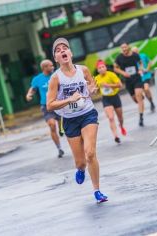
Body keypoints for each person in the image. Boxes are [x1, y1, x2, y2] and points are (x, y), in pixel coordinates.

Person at [46, 38, 108, 203]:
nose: (62, 51)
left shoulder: (84, 70)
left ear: (70, 53)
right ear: (56, 58)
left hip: (88, 114)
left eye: (65, 48)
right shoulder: (55, 78)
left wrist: (92, 91)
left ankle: (97, 191)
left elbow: (90, 90)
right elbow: (50, 105)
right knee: (81, 163)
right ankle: (80, 170)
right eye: (58, 50)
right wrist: (69, 100)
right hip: (69, 120)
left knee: (90, 153)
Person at [26, 59, 65, 158]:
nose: (52, 67)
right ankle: (59, 148)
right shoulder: (37, 79)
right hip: (46, 106)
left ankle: (61, 128)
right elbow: (33, 88)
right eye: (50, 66)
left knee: (62, 124)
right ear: (44, 68)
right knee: (52, 125)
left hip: (59, 103)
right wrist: (29, 94)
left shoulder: (57, 75)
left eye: (53, 66)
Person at [95, 60, 127, 143]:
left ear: (105, 67)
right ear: (97, 70)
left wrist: (108, 85)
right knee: (111, 118)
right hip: (106, 99)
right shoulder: (96, 78)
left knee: (120, 117)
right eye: (99, 68)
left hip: (115, 97)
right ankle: (116, 136)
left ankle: (121, 126)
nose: (101, 69)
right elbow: (96, 90)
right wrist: (95, 90)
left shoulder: (111, 74)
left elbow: (120, 85)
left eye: (103, 67)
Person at [114, 42, 145, 127]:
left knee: (138, 97)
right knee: (135, 99)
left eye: (125, 47)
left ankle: (141, 118)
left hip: (137, 78)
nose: (124, 49)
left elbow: (141, 63)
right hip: (128, 81)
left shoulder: (135, 55)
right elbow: (115, 68)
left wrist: (140, 69)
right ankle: (140, 99)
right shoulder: (119, 57)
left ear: (128, 47)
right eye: (122, 48)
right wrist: (123, 73)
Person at [131, 47, 156, 112]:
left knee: (146, 89)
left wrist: (147, 68)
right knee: (143, 92)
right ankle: (151, 102)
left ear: (138, 51)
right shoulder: (132, 59)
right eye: (133, 52)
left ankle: (151, 102)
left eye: (136, 51)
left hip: (146, 75)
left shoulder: (143, 55)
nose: (135, 53)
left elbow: (150, 62)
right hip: (138, 78)